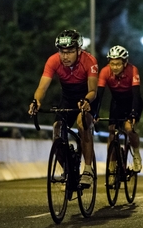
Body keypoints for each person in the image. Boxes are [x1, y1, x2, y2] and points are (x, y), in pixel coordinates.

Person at [28, 29, 98, 186]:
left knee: (83, 124)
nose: (65, 56)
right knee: (57, 129)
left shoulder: (89, 61)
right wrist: (36, 101)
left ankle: (88, 169)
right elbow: (42, 88)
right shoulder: (53, 61)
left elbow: (93, 91)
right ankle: (69, 169)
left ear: (79, 50)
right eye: (62, 52)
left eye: (70, 52)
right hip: (67, 97)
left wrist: (86, 101)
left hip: (86, 97)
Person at [93, 45, 143, 174]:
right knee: (111, 132)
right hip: (116, 103)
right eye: (112, 64)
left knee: (128, 128)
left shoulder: (133, 70)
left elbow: (136, 95)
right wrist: (95, 112)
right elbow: (99, 95)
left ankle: (136, 153)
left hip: (132, 102)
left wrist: (133, 113)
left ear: (125, 63)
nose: (115, 67)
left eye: (118, 64)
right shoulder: (105, 71)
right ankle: (112, 161)